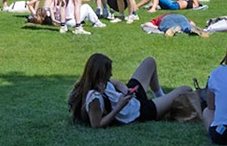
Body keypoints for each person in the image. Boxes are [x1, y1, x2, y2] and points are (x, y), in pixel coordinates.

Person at [68, 53, 196, 127]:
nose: (111, 74)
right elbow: (97, 125)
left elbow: (117, 83)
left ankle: (160, 97)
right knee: (185, 89)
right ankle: (162, 105)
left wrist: (126, 90)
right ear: (100, 74)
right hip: (139, 111)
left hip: (131, 97)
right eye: (109, 72)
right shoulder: (94, 98)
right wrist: (120, 106)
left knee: (150, 62)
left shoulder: (99, 82)